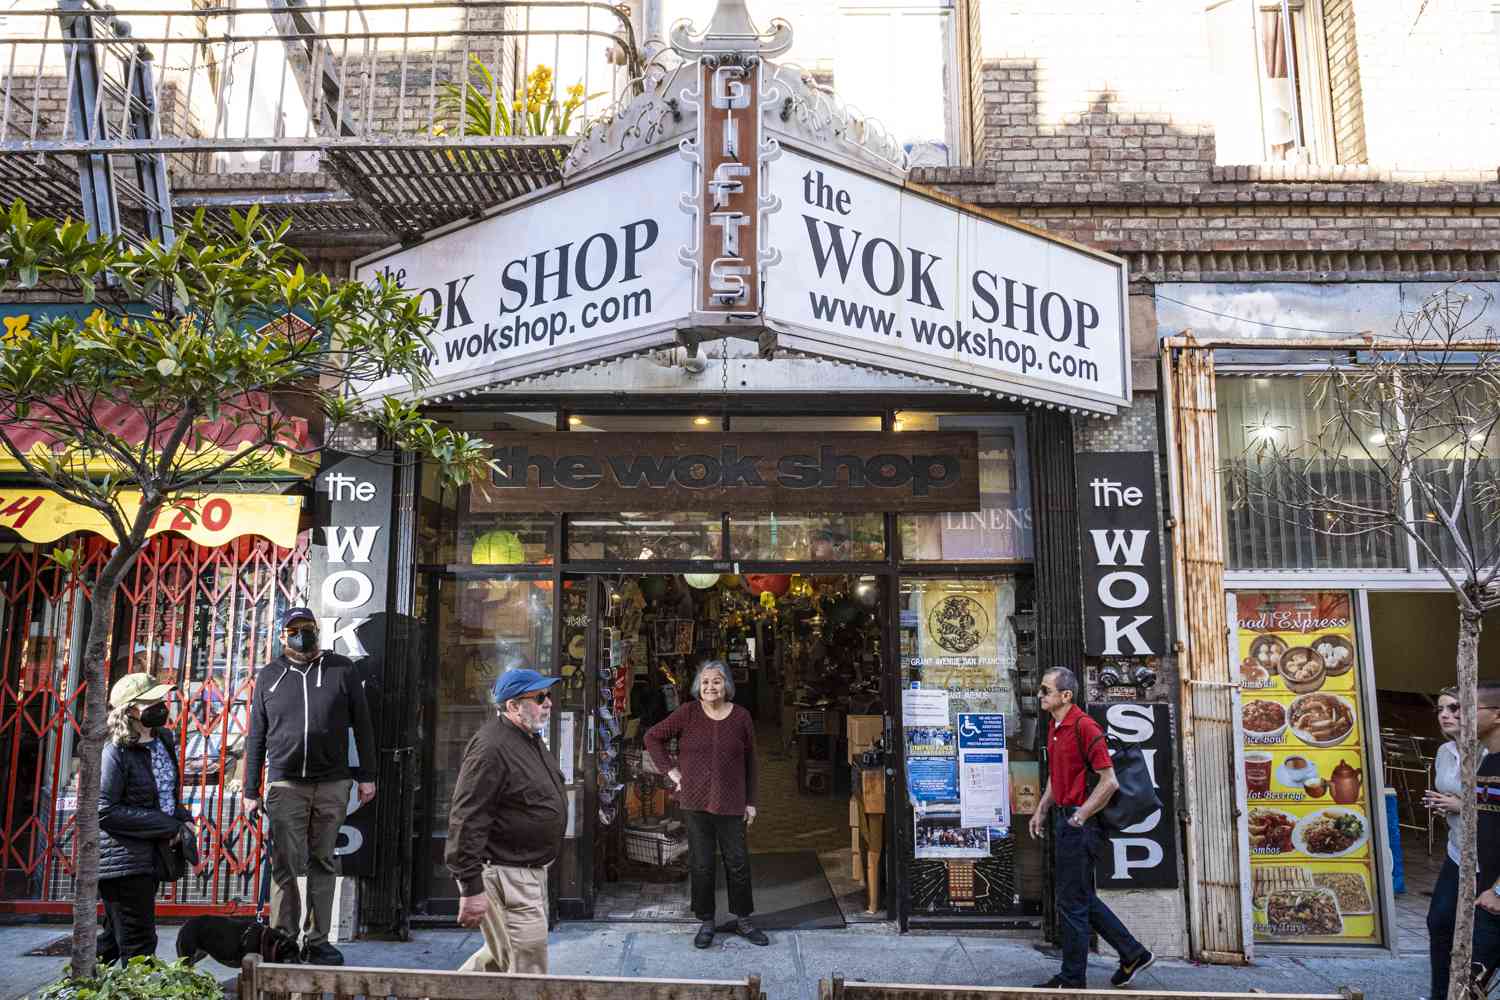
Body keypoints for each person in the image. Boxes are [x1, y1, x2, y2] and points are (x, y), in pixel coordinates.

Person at [242, 607, 377, 966]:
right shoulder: (269, 676)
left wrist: (367, 775)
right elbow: (256, 734)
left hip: (333, 783)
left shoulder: (340, 669)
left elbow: (362, 725)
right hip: (285, 784)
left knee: (323, 861)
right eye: (294, 629)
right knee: (285, 863)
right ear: (282, 635)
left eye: (308, 628)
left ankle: (317, 940)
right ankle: (283, 939)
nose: (302, 634)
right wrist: (249, 791)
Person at [1028, 666, 1154, 990]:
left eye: (1046, 690)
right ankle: (1132, 952)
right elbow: (1058, 776)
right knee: (1079, 896)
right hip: (1064, 818)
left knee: (1072, 902)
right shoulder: (1055, 727)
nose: (1040, 695)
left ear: (1065, 695)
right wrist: (1041, 808)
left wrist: (1081, 815)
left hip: (1081, 825)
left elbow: (1109, 781)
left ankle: (1072, 978)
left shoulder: (1085, 726)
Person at [446, 668, 566, 973]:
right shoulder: (491, 747)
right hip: (507, 874)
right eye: (540, 697)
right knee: (527, 966)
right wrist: (470, 887)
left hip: (528, 873)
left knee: (499, 959)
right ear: (513, 706)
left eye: (548, 695)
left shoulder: (528, 737)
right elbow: (466, 817)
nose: (549, 703)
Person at [645, 659, 767, 949]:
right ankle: (706, 921)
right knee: (701, 864)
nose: (711, 687)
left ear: (726, 686)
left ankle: (744, 920)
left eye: (717, 681)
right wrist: (672, 772)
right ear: (698, 687)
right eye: (706, 682)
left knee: (737, 863)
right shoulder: (687, 713)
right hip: (695, 801)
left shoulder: (741, 717)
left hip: (732, 801)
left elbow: (751, 761)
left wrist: (751, 801)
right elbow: (652, 737)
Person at [98, 672, 196, 964]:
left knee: (114, 942)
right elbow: (105, 810)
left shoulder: (163, 739)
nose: (161, 705)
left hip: (151, 854)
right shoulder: (115, 750)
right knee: (139, 945)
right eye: (151, 701)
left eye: (161, 699)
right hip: (123, 860)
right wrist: (170, 826)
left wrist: (183, 817)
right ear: (130, 710)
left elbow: (164, 793)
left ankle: (75, 989)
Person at [1425, 682, 1500, 999]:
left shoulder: (1489, 756)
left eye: (1463, 708)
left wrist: (1496, 889)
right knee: (1442, 924)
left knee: (1475, 963)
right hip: (1463, 856)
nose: (1450, 715)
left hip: (1491, 877)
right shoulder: (1478, 759)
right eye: (1440, 708)